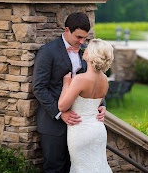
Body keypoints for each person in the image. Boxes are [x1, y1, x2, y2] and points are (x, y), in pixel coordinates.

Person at [32, 12, 106, 173]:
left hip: (81, 126)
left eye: (84, 38)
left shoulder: (86, 52)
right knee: (55, 168)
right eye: (78, 37)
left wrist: (101, 105)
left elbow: (95, 79)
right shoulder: (48, 51)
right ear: (67, 30)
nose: (82, 42)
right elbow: (39, 87)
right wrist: (60, 113)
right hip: (54, 124)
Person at [58, 38, 113, 173]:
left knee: (81, 168)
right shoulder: (105, 80)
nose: (85, 48)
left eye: (88, 48)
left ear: (92, 55)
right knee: (99, 166)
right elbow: (97, 103)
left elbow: (62, 107)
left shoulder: (80, 79)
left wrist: (66, 84)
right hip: (98, 130)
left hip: (80, 131)